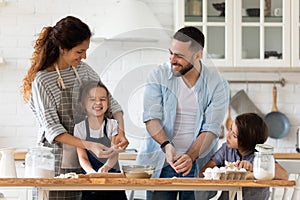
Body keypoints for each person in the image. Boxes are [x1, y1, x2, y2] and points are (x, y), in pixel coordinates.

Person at [22, 16, 129, 199]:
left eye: (86, 51)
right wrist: (88, 144)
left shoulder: (84, 71)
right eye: (80, 51)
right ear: (62, 49)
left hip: (86, 161)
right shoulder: (43, 81)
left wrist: (120, 130)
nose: (84, 56)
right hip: (55, 164)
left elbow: (112, 104)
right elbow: (53, 130)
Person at [136, 26, 229, 200]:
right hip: (161, 161)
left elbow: (211, 129)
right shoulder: (159, 75)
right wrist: (166, 145)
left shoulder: (218, 85)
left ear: (198, 55)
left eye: (179, 56)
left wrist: (190, 156)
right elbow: (151, 118)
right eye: (171, 53)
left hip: (197, 164)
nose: (172, 59)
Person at [199, 113, 288, 200]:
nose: (228, 136)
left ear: (247, 142)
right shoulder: (226, 149)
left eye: (234, 135)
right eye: (230, 129)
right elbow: (204, 172)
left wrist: (255, 168)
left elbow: (284, 175)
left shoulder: (261, 155)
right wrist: (222, 171)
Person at [74, 81, 127, 200]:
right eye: (92, 99)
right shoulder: (80, 128)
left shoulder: (112, 125)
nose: (98, 102)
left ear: (108, 103)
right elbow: (82, 157)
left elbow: (114, 154)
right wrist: (91, 173)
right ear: (83, 104)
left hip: (113, 178)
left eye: (103, 99)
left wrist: (106, 167)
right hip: (90, 180)